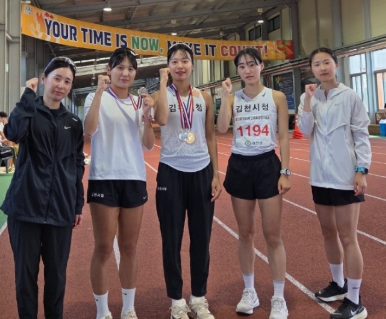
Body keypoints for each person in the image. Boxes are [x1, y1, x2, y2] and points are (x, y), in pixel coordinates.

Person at [0, 57, 85, 319]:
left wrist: (77, 203)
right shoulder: (29, 113)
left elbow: (76, 164)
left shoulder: (73, 122)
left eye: (67, 81)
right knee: (25, 278)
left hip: (60, 210)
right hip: (25, 208)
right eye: (57, 78)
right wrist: (27, 96)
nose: (61, 85)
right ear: (44, 79)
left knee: (57, 278)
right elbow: (13, 133)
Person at [216, 48, 291, 319]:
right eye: (242, 66)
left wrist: (285, 171)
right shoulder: (233, 98)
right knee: (245, 233)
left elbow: (284, 136)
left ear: (261, 66)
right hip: (240, 165)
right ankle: (249, 291)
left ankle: (279, 297)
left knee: (273, 235)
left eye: (252, 64)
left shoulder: (276, 97)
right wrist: (225, 97)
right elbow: (221, 128)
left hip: (267, 164)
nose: (247, 70)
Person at [297, 47, 371, 319]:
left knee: (348, 237)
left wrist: (361, 170)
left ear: (336, 65)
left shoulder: (349, 96)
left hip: (345, 176)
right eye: (317, 64)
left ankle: (355, 300)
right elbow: (305, 130)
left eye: (326, 62)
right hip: (320, 176)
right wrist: (307, 100)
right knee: (328, 232)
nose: (322, 68)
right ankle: (339, 284)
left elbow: (361, 135)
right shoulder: (311, 98)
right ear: (312, 69)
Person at [84, 47, 157, 319]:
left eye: (130, 69)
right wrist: (99, 92)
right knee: (103, 248)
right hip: (104, 177)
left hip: (134, 178)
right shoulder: (95, 96)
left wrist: (147, 115)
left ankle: (128, 308)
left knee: (129, 247)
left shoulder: (140, 102)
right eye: (120, 68)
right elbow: (89, 129)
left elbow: (149, 144)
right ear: (109, 70)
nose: (125, 73)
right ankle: (102, 311)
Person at [152, 43, 222, 319]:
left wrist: (216, 174)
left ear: (192, 65)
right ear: (168, 66)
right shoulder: (161, 95)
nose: (180, 65)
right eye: (174, 61)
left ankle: (199, 298)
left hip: (201, 170)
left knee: (201, 238)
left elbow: (211, 136)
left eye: (185, 60)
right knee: (171, 240)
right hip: (171, 170)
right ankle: (177, 301)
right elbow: (160, 119)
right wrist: (161, 83)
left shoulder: (204, 97)